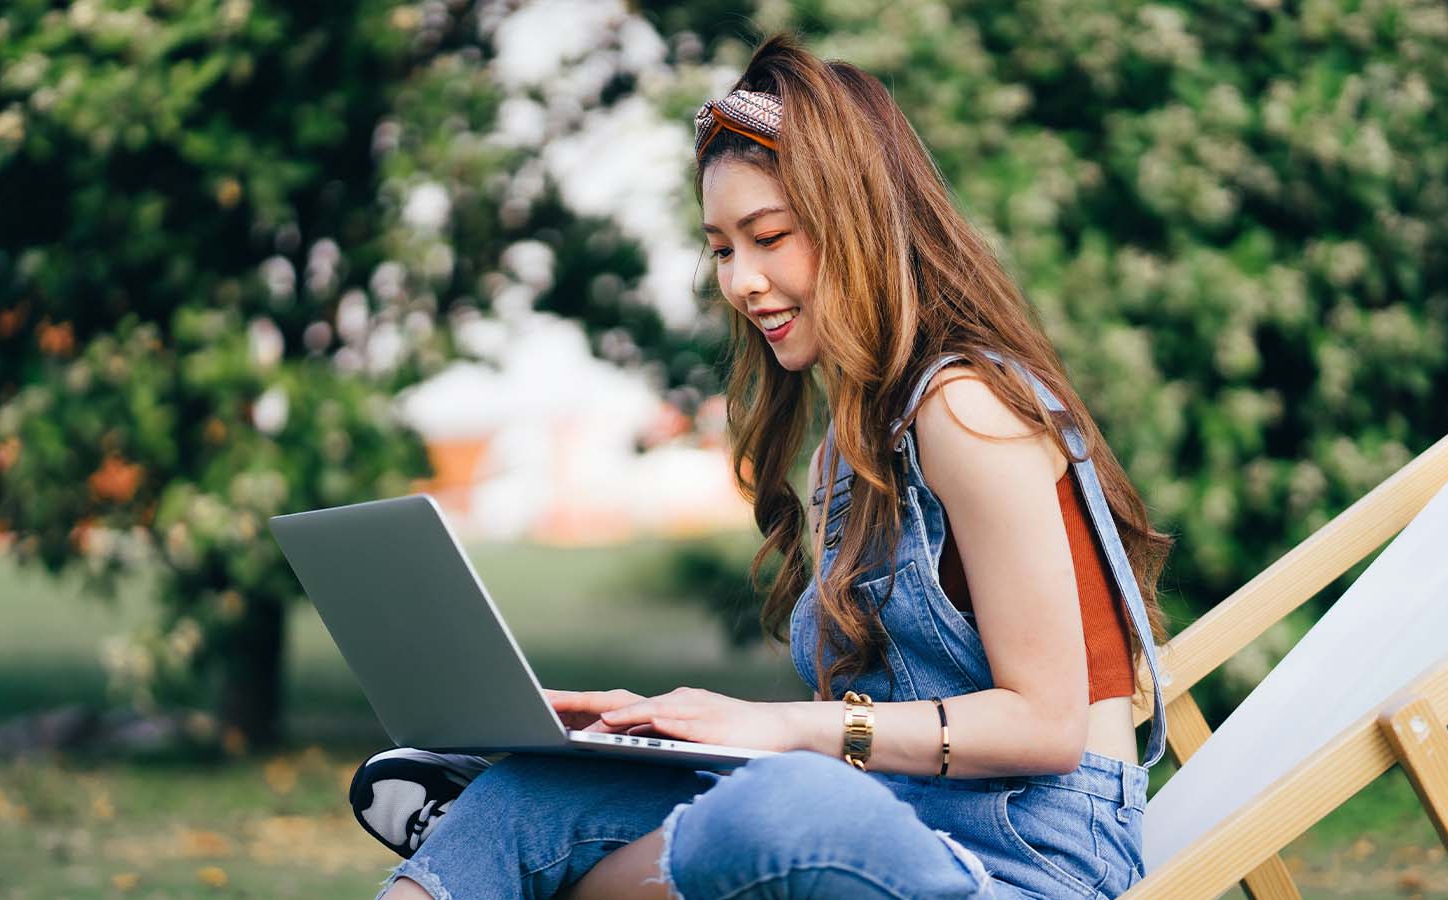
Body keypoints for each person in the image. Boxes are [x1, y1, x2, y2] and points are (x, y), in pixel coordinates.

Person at [364, 30, 1173, 900]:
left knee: (782, 806)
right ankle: (529, 851)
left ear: (857, 224)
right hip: (891, 825)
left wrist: (775, 728)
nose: (742, 282)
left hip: (1032, 865)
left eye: (769, 236)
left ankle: (545, 871)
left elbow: (1047, 725)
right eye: (721, 249)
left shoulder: (966, 409)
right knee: (539, 787)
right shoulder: (845, 454)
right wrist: (662, 730)